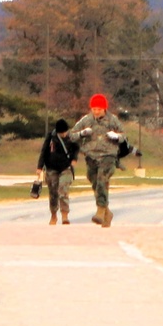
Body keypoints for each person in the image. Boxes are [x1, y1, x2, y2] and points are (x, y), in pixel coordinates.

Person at [73, 94, 125, 227]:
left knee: (102, 180)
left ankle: (100, 210)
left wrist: (116, 136)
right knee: (95, 182)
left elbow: (123, 136)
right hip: (91, 156)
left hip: (108, 155)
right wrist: (82, 133)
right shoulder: (86, 120)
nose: (96, 112)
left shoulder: (112, 120)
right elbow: (72, 135)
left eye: (99, 109)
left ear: (104, 109)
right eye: (94, 109)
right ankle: (107, 213)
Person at [36, 118, 79, 225]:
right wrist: (39, 167)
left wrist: (74, 159)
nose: (63, 134)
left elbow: (76, 149)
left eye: (64, 132)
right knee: (53, 192)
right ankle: (53, 215)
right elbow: (44, 151)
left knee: (63, 190)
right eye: (61, 132)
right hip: (51, 168)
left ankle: (65, 215)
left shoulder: (71, 137)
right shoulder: (51, 137)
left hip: (66, 168)